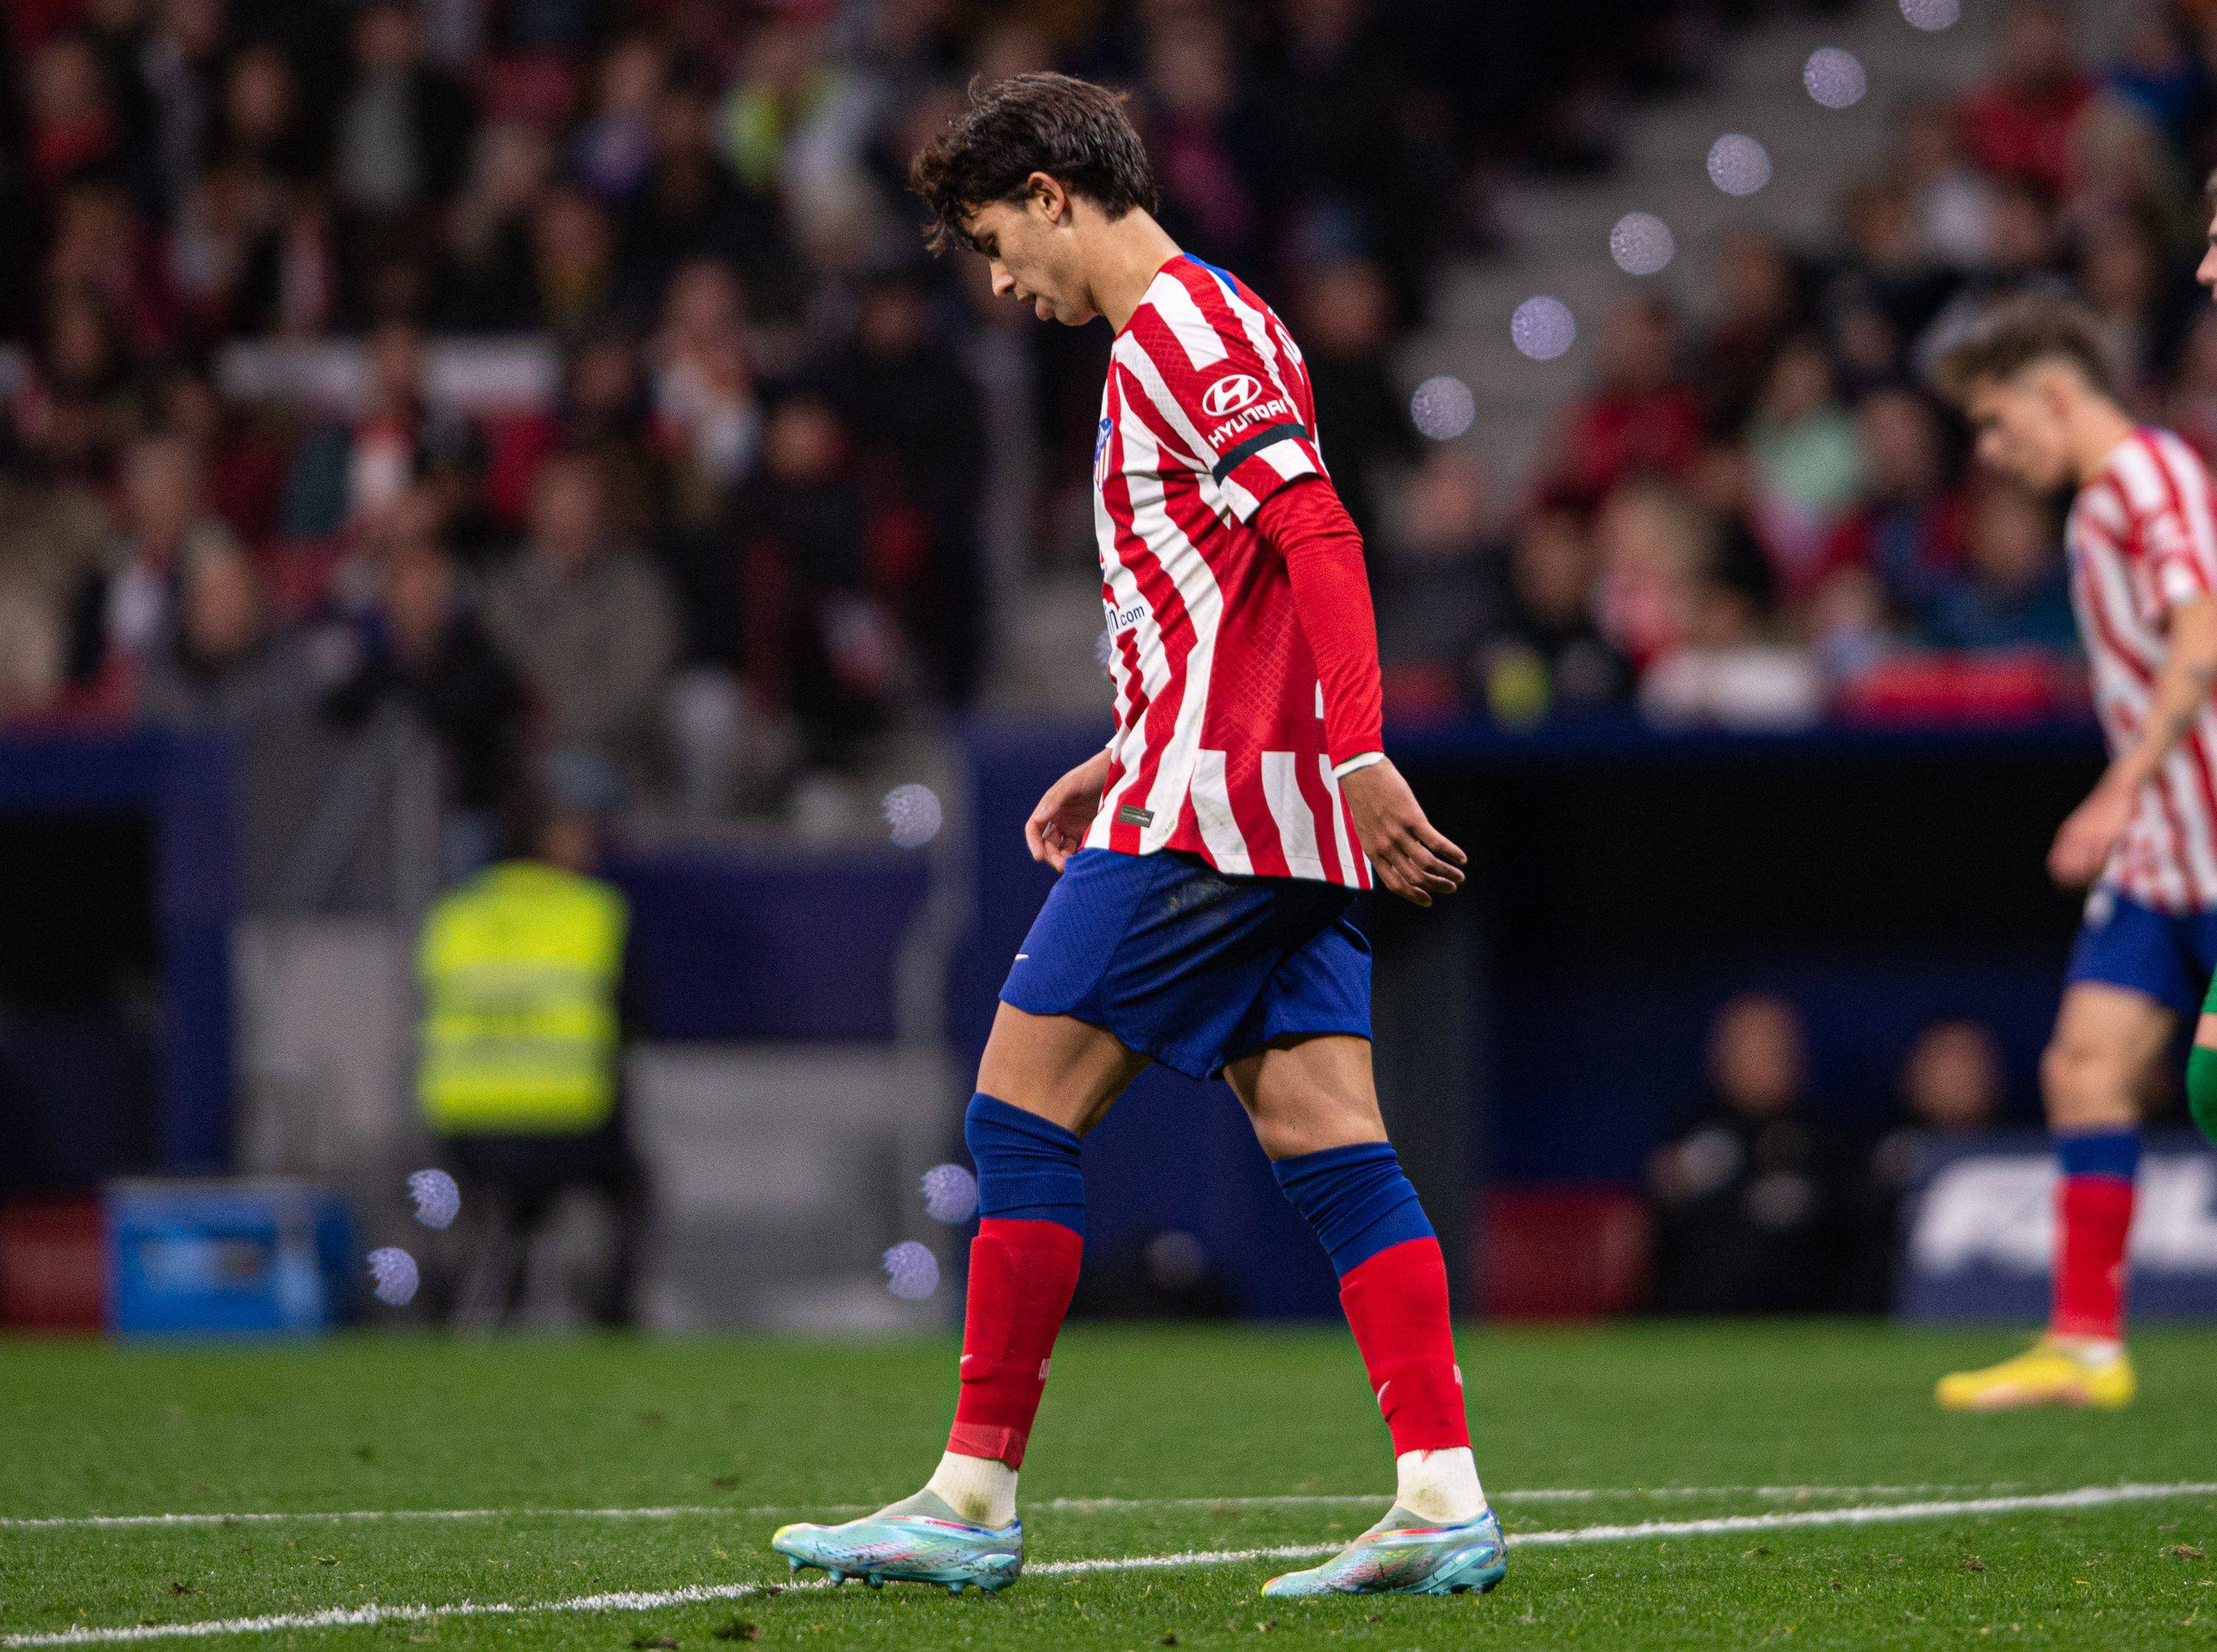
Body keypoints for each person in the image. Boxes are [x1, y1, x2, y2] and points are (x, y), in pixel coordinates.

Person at [769, 73, 1499, 1602]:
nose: (995, 280)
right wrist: (1124, 745)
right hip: (1240, 795)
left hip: (1223, 810)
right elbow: (1234, 584)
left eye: (990, 238)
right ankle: (1442, 1495)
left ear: (1050, 192)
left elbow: (1320, 537)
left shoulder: (1183, 331)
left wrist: (1357, 744)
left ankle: (971, 1494)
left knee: (1018, 1108)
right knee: (1332, 1140)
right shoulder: (1215, 323)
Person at [1930, 293, 2217, 1410]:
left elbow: (2203, 632)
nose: (1995, 454)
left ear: (2056, 393)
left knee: (2205, 1086)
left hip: (2184, 825)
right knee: (2084, 1068)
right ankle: (2087, 1345)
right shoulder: (2099, 504)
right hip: (2165, 857)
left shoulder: (2150, 482)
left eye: (1999, 424)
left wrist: (2117, 787)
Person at [417, 806, 648, 1327]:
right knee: (632, 1190)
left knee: (496, 1205)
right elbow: (635, 1016)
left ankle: (469, 1300)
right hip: (570, 1128)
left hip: (468, 1132)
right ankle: (613, 1313)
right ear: (547, 843)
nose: (588, 848)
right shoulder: (593, 912)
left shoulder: (454, 914)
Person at [1645, 994, 1854, 1315]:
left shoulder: (1829, 1142)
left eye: (1771, 1047)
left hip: (1806, 1331)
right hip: (1698, 1327)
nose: (1758, 1059)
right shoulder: (1688, 1133)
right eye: (1745, 1047)